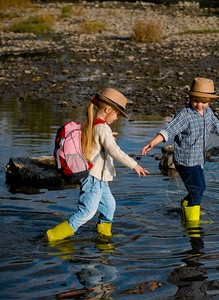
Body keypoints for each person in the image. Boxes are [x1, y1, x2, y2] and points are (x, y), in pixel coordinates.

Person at [46, 88, 149, 242]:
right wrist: (135, 165)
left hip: (100, 179)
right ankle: (52, 237)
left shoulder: (94, 124)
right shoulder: (102, 128)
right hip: (93, 178)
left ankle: (104, 237)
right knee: (87, 212)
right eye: (116, 114)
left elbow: (97, 139)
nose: (116, 118)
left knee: (109, 206)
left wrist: (108, 136)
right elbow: (115, 151)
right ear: (108, 110)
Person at [141, 77, 219, 226]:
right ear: (190, 98)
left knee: (201, 188)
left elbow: (216, 125)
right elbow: (170, 129)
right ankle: (192, 222)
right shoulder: (185, 115)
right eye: (195, 101)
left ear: (209, 102)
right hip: (185, 160)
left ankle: (188, 205)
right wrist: (153, 142)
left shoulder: (208, 112)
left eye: (203, 102)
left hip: (198, 158)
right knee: (198, 190)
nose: (199, 105)